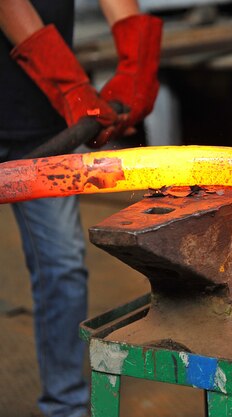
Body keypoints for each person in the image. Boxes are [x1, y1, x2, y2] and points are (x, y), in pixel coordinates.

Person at [0, 1, 162, 416]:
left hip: (40, 121)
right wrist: (69, 84)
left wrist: (136, 59)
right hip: (41, 92)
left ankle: (66, 405)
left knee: (63, 264)